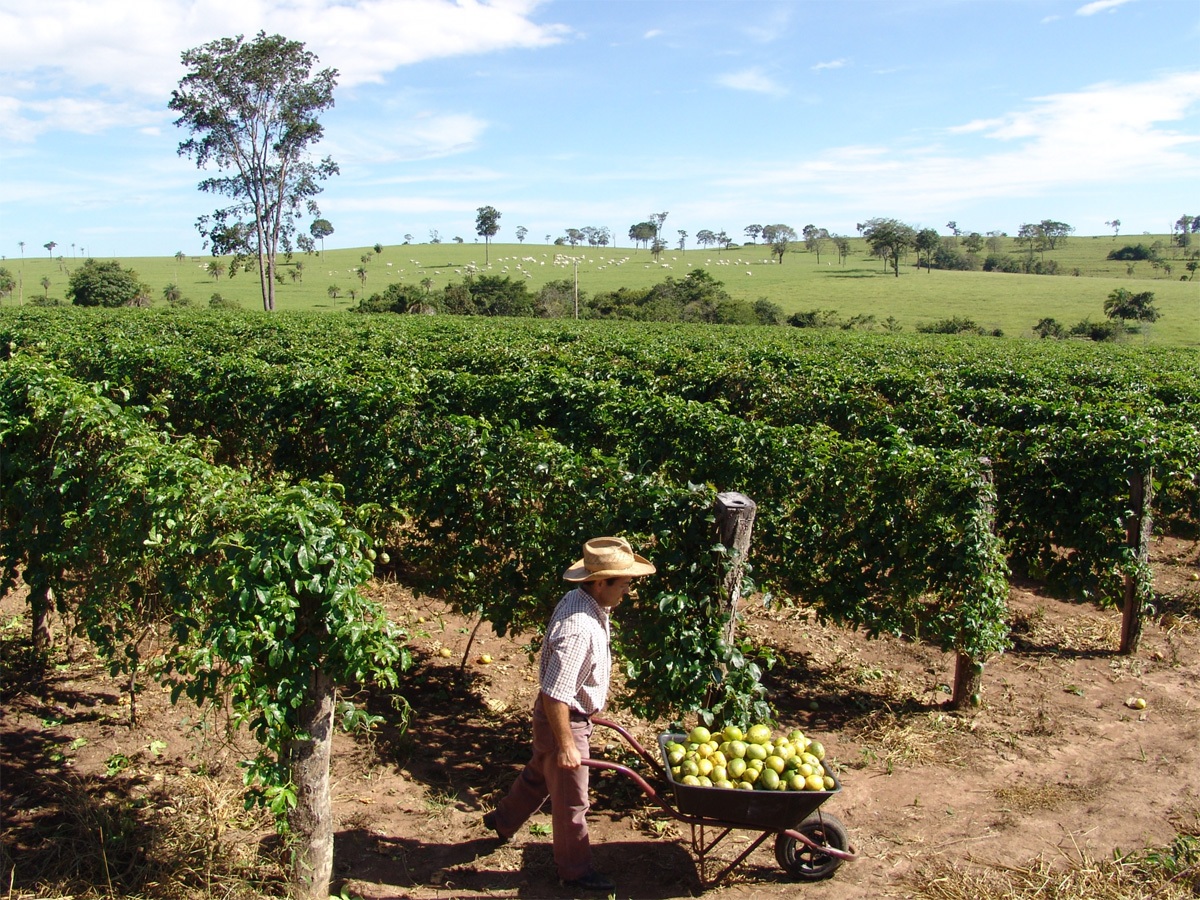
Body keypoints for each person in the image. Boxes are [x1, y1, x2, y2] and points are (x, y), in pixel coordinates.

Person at [483, 536, 655, 894]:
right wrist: (566, 745)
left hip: (564, 717)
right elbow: (555, 694)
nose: (627, 591)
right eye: (623, 584)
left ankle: (502, 821)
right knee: (572, 800)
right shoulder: (578, 627)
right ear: (599, 581)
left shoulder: (587, 602)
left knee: (539, 776)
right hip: (564, 718)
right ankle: (574, 871)